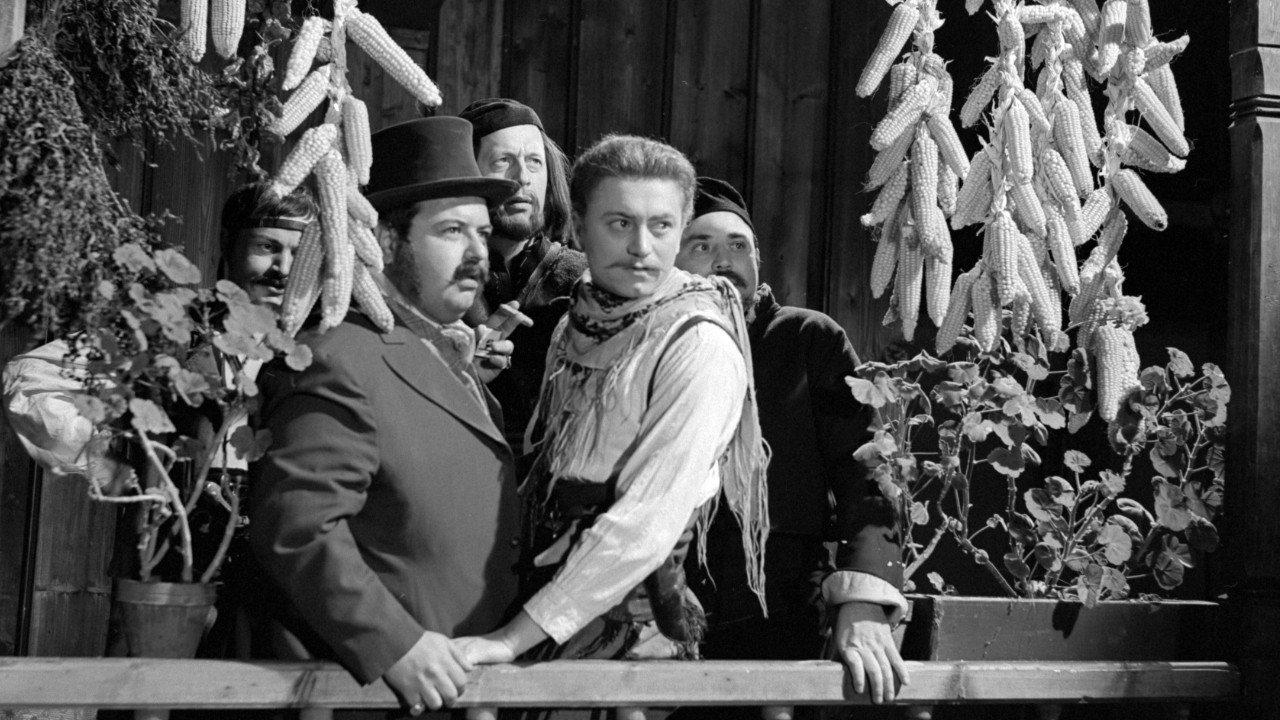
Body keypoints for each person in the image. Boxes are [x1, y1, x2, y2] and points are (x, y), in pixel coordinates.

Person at [453, 135, 769, 668]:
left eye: (661, 226)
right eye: (620, 223)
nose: (641, 247)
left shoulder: (698, 343)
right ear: (579, 228)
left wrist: (510, 640)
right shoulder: (575, 321)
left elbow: (647, 520)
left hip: (626, 634)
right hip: (540, 599)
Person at [248, 116, 523, 715]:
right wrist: (396, 643)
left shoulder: (444, 351)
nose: (478, 253)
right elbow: (297, 523)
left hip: (464, 689)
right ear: (386, 242)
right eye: (452, 231)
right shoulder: (340, 356)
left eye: (482, 232)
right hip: (375, 697)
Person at [673, 177, 909, 705]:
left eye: (738, 245)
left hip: (783, 615)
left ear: (758, 259)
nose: (724, 260)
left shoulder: (808, 339)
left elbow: (867, 474)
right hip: (666, 611)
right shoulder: (651, 346)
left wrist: (865, 598)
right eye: (701, 246)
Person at [458, 98, 586, 448]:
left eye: (534, 162)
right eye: (503, 161)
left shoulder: (582, 280)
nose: (523, 178)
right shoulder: (442, 281)